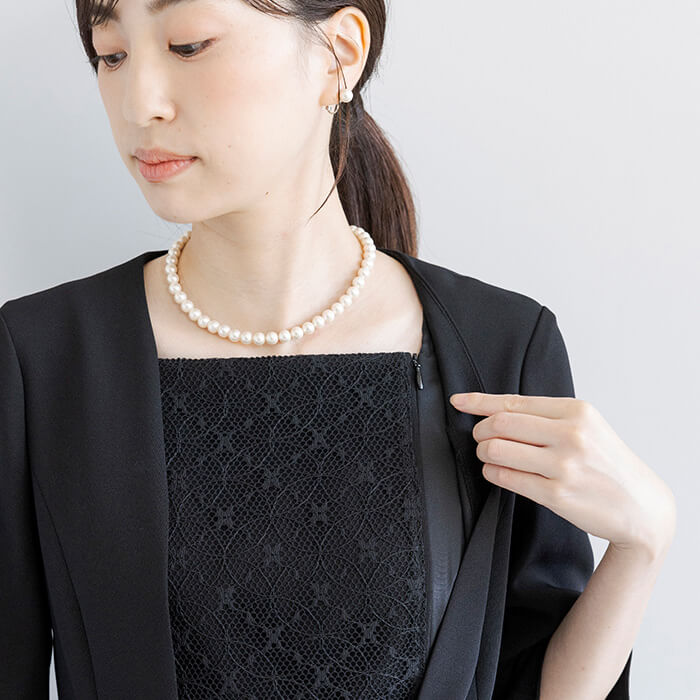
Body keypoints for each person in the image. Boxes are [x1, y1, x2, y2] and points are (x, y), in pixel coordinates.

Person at [0, 1, 675, 698]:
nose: (139, 104)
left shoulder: (498, 347)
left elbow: (528, 679)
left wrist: (640, 546)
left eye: (189, 45)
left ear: (339, 53)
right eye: (111, 55)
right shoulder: (41, 361)